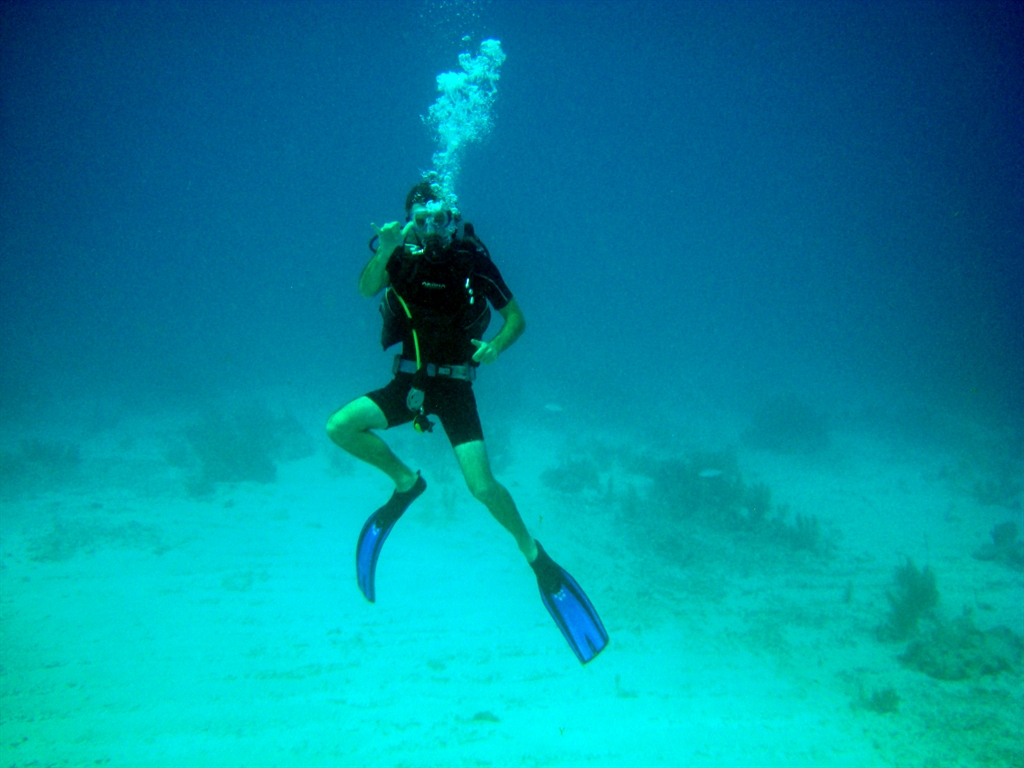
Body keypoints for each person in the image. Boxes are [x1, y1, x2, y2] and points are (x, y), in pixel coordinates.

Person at [326, 180, 608, 663]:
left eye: (439, 219)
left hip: (456, 389)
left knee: (482, 487)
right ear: (410, 222)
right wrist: (387, 248)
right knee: (340, 427)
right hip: (410, 384)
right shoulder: (398, 257)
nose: (432, 228)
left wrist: (495, 347)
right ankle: (406, 482)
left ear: (451, 219)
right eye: (422, 220)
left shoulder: (471, 261)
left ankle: (534, 554)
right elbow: (366, 288)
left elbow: (516, 318)